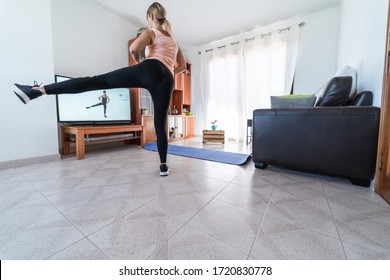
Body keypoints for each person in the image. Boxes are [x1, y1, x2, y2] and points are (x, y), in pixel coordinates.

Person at [12, 2, 186, 176]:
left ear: (151, 17)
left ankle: (38, 90)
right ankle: (163, 166)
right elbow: (182, 66)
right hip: (168, 79)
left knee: (97, 81)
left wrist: (141, 64)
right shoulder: (174, 41)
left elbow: (134, 49)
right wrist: (168, 71)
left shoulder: (151, 32)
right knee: (160, 124)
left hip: (150, 68)